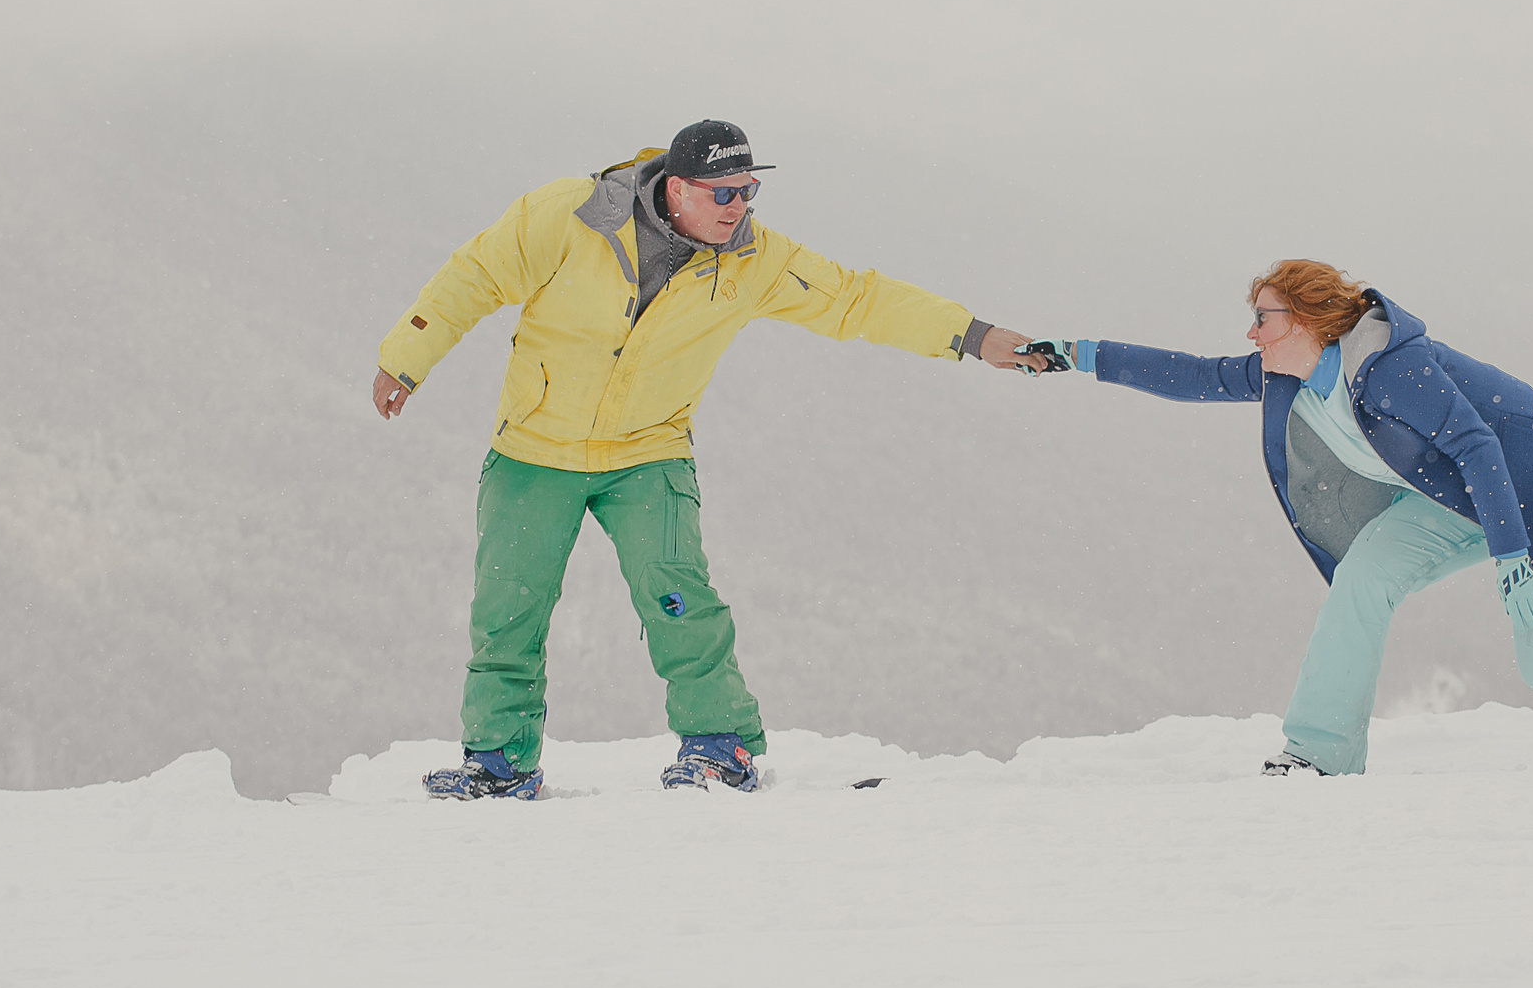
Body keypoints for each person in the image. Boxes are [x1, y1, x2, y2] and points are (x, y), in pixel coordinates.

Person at [373, 119, 1039, 799]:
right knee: (507, 611)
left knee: (679, 599)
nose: (738, 208)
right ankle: (497, 763)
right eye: (722, 194)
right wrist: (405, 359)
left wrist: (973, 336)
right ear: (677, 188)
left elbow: (854, 299)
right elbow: (475, 275)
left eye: (748, 192)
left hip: (647, 454)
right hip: (534, 451)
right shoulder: (571, 216)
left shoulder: (755, 261)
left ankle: (721, 748)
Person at [1019, 260, 1533, 776]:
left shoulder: (1388, 368)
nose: (1251, 332)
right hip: (1454, 502)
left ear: (1308, 319)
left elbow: (1478, 445)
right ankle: (1320, 753)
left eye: (1263, 317)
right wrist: (1079, 356)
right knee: (1363, 580)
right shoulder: (1290, 374)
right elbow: (1197, 375)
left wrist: (1512, 556)